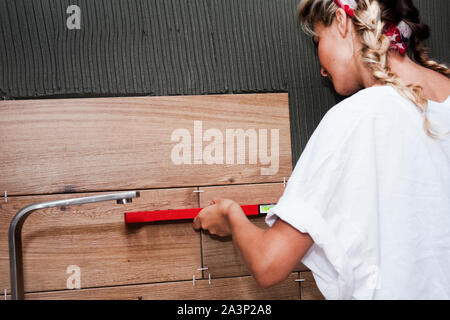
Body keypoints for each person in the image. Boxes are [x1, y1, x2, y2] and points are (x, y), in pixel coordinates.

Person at [193, 0, 450, 299]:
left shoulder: (359, 115)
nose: (322, 70)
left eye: (317, 40)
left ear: (341, 20)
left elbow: (269, 263)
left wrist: (231, 216)